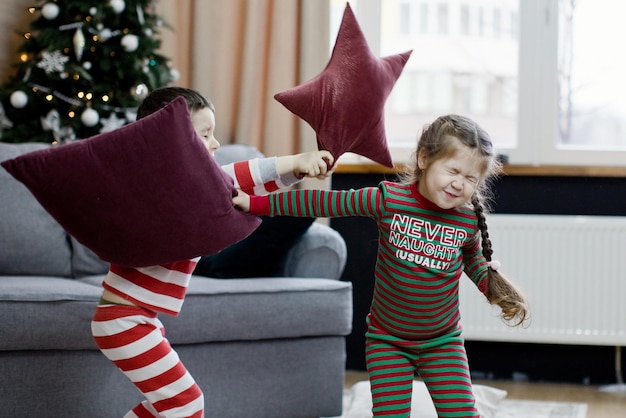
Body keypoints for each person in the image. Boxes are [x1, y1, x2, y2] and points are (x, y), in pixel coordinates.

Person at [234, 114, 529, 417]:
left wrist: (498, 291)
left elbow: (473, 262)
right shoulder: (388, 200)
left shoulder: (466, 221)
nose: (459, 184)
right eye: (453, 170)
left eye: (470, 179)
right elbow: (321, 202)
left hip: (443, 343)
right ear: (425, 158)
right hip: (388, 343)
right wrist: (256, 203)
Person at [91, 86, 334, 417]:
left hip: (136, 319)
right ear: (171, 143)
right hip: (124, 321)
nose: (216, 144)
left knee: (168, 404)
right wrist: (294, 163)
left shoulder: (187, 190)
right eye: (205, 135)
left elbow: (234, 182)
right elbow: (233, 178)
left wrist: (297, 168)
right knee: (186, 403)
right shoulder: (163, 192)